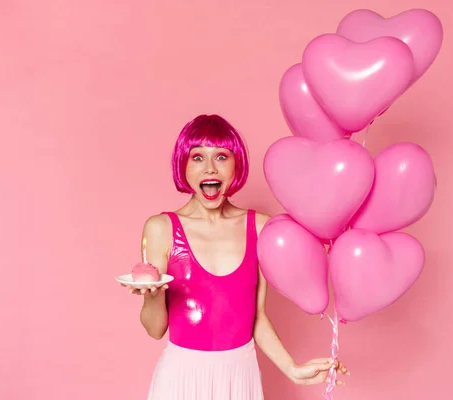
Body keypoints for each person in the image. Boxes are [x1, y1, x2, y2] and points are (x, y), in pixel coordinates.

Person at [123, 114, 348, 399]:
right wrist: (152, 296)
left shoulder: (262, 227)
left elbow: (257, 317)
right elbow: (155, 330)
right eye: (197, 158)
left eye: (221, 157)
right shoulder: (161, 228)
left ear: (236, 164)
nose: (209, 169)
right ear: (183, 165)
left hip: (240, 374)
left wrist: (292, 369)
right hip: (182, 375)